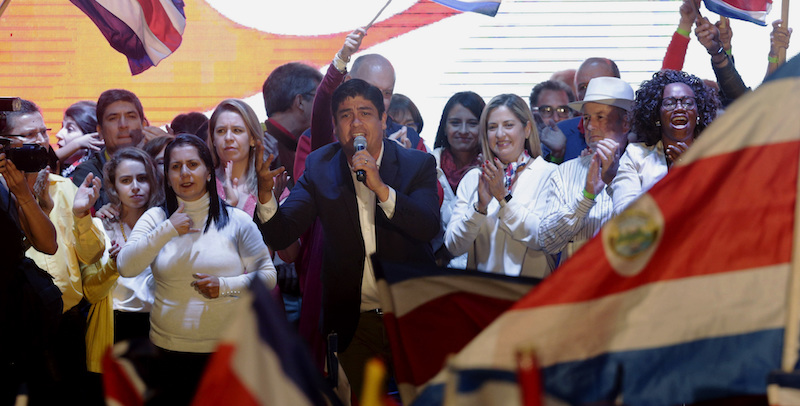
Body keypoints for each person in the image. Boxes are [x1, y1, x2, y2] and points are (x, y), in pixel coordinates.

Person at [255, 79, 440, 399]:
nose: (355, 123)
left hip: (409, 315)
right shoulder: (320, 165)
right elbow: (283, 233)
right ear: (335, 125)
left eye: (365, 113)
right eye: (345, 115)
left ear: (383, 120)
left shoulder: (416, 164)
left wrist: (381, 189)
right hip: (354, 321)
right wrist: (266, 196)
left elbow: (428, 227)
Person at [117, 133, 276, 404]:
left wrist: (225, 286)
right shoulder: (155, 218)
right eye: (175, 167)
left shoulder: (236, 220)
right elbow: (126, 267)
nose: (185, 173)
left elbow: (268, 275)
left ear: (209, 172)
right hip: (168, 351)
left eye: (193, 164)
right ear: (167, 177)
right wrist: (168, 229)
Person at [1, 99, 106, 404]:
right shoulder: (2, 193)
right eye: (28, 135)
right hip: (18, 324)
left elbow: (90, 256)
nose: (40, 142)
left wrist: (85, 217)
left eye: (42, 133)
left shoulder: (66, 187)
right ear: (4, 143)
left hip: (66, 324)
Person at [445, 94, 556, 278]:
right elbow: (454, 246)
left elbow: (543, 238)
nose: (500, 134)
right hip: (483, 296)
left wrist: (504, 197)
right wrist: (479, 209)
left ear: (527, 129)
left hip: (531, 297)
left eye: (508, 125)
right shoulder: (474, 178)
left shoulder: (549, 174)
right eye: (492, 127)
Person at [538, 77, 635, 263]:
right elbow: (547, 242)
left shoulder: (645, 168)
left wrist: (614, 180)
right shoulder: (565, 172)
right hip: (575, 286)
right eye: (587, 118)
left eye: (600, 117)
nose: (590, 126)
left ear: (626, 123)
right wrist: (586, 197)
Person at [0, 133, 59, 405]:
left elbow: (48, 244)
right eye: (19, 142)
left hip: (15, 317)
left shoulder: (7, 187)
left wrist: (24, 194)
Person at [610, 70, 720, 215]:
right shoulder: (635, 156)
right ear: (656, 115)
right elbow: (623, 213)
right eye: (669, 103)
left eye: (688, 103)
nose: (680, 108)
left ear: (698, 114)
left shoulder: (717, 156)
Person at [431, 91, 485, 268]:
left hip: (481, 270)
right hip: (434, 270)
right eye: (455, 123)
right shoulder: (427, 164)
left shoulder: (494, 171)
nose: (463, 131)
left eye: (472, 124)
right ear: (444, 127)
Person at [72, 89, 147, 211]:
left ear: (144, 125)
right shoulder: (88, 173)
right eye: (113, 118)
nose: (123, 125)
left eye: (131, 116)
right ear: (100, 131)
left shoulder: (158, 162)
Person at [543, 58, 622, 164]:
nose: (590, 91)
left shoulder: (638, 134)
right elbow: (546, 177)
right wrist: (557, 156)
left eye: (598, 83)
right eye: (583, 87)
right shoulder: (559, 133)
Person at [262, 61, 323, 190]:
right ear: (300, 102)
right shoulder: (263, 149)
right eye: (320, 98)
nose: (326, 107)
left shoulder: (292, 145)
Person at [208, 99, 264, 215]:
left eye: (237, 130)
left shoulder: (269, 186)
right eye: (221, 131)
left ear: (252, 139)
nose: (228, 137)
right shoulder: (202, 184)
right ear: (213, 139)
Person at [55, 101, 104, 178]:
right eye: (62, 127)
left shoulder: (89, 173)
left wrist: (77, 144)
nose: (58, 134)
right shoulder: (62, 167)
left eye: (70, 129)